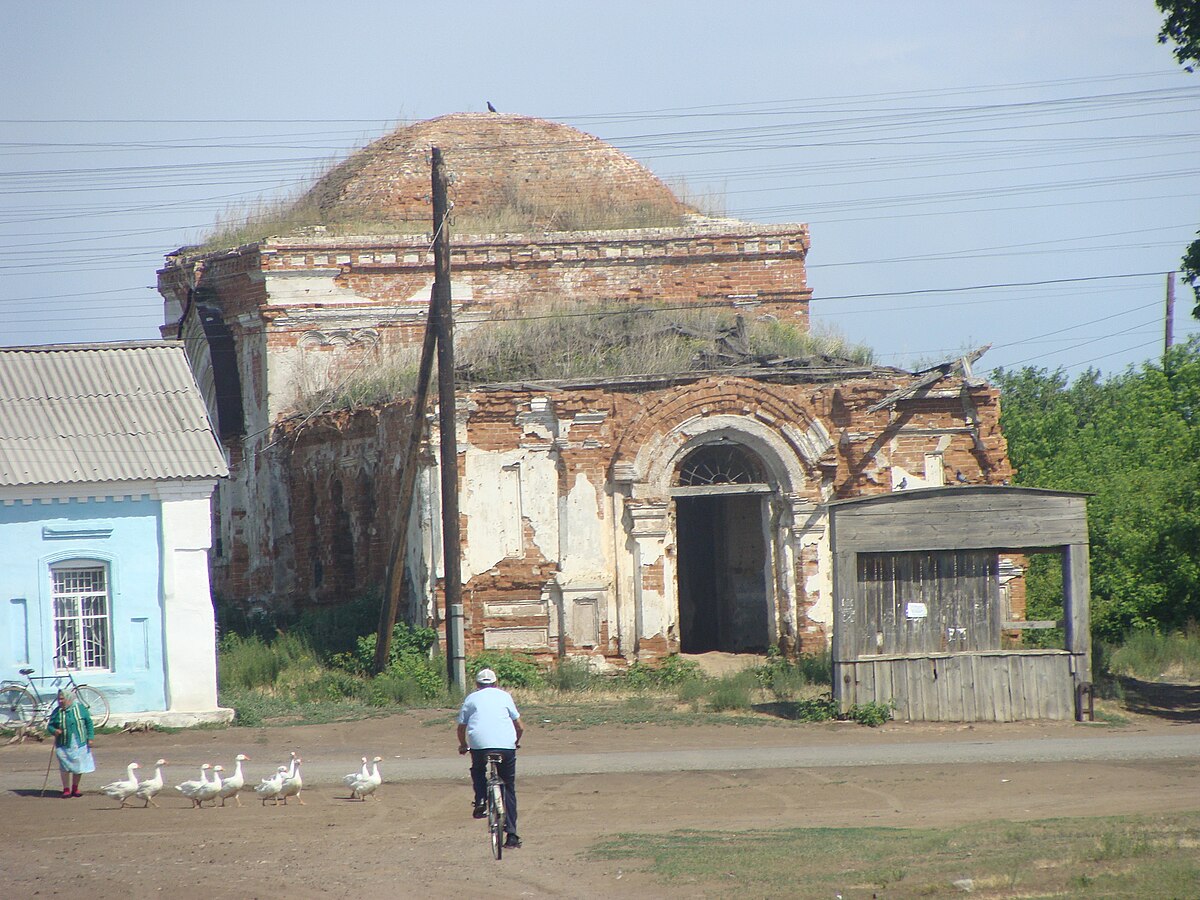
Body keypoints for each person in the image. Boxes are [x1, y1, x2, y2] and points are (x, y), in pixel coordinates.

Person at [457, 667, 524, 849]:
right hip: (506, 746)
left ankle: (480, 799)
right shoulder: (505, 696)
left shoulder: (471, 698)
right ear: (496, 683)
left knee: (478, 769)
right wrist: (515, 742)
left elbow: (461, 727)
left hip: (479, 745)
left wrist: (463, 745)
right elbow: (519, 726)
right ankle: (511, 835)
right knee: (508, 787)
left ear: (477, 685)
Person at [47, 690, 95, 798]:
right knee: (65, 766)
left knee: (78, 766)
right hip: (63, 744)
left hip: (79, 743)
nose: (60, 701)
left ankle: (75, 788)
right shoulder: (57, 712)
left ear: (69, 699)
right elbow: (50, 726)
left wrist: (90, 738)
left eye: (62, 699)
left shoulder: (80, 708)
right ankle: (66, 789)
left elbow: (89, 723)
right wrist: (54, 731)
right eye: (59, 699)